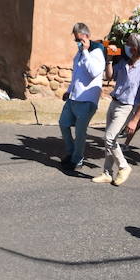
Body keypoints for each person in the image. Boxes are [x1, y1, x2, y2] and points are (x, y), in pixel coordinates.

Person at [93, 32, 140, 186]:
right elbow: (109, 76)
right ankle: (107, 173)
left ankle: (124, 167)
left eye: (128, 44)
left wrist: (134, 120)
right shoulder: (125, 63)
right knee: (108, 139)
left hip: (126, 108)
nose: (126, 47)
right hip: (114, 103)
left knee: (109, 138)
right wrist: (110, 59)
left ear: (134, 48)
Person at [59, 21, 104, 170]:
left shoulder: (97, 52)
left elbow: (93, 71)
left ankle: (77, 160)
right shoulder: (78, 54)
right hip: (74, 97)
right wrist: (68, 90)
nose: (77, 43)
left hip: (87, 100)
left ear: (86, 36)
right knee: (63, 123)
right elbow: (76, 75)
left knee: (80, 133)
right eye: (76, 40)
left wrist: (85, 51)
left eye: (79, 39)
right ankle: (72, 153)